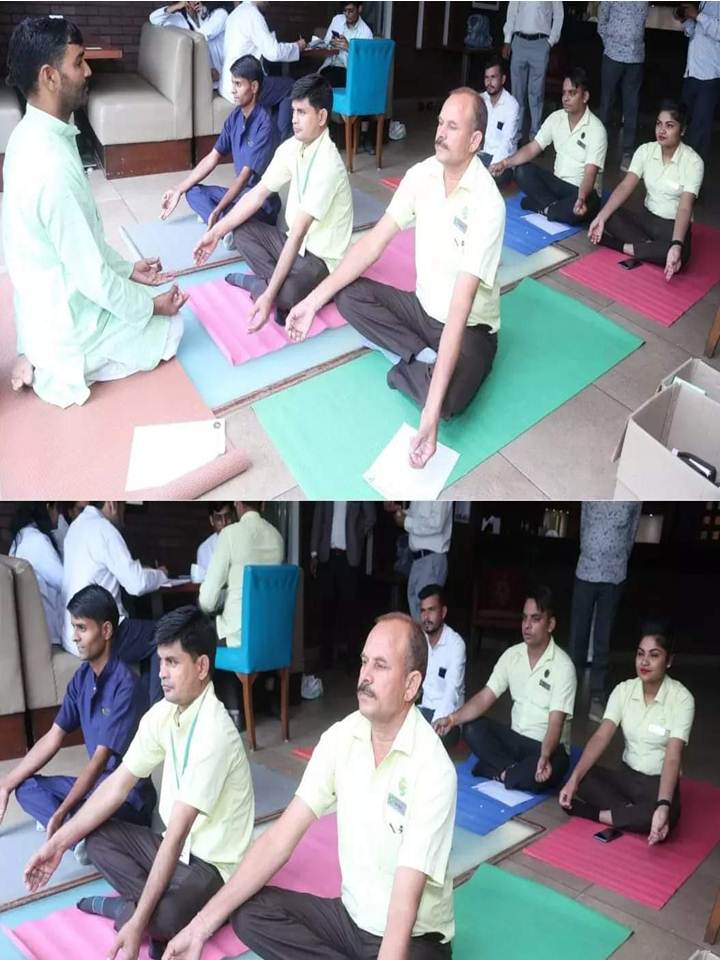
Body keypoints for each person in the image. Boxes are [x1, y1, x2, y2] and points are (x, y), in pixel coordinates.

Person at [163, 613, 457, 960]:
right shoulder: (342, 738)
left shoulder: (433, 769)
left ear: (410, 684)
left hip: (412, 939)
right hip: (350, 921)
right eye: (364, 662)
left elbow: (405, 901)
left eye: (380, 666)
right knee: (249, 912)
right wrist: (198, 927)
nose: (365, 676)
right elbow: (278, 839)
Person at [286, 88, 505, 470]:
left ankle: (411, 368)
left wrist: (429, 417)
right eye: (440, 123)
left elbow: (461, 304)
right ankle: (422, 360)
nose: (440, 133)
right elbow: (373, 243)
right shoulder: (422, 175)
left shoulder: (488, 203)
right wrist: (310, 302)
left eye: (452, 127)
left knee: (446, 404)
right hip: (421, 309)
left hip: (470, 327)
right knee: (348, 296)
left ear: (474, 141)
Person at [24, 607, 255, 960]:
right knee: (95, 837)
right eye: (160, 661)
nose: (161, 673)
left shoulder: (215, 734)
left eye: (172, 662)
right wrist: (57, 844)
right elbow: (117, 785)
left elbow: (177, 832)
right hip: (174, 849)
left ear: (201, 667)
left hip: (212, 865)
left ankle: (126, 911)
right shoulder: (164, 713)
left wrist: (137, 921)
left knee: (166, 916)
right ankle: (149, 915)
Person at [3, 16, 187, 409]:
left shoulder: (28, 135)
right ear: (50, 77)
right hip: (67, 326)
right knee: (173, 328)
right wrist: (151, 307)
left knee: (135, 291)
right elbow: (91, 277)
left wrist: (127, 270)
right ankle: (57, 367)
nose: (88, 71)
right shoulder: (51, 168)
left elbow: (77, 242)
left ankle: (38, 352)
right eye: (78, 62)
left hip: (39, 311)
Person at [194, 73, 353, 331]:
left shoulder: (328, 165)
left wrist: (268, 296)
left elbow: (298, 233)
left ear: (322, 117)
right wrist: (215, 232)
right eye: (293, 111)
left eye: (302, 112)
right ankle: (276, 290)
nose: (294, 119)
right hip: (291, 244)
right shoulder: (292, 147)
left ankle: (260, 286)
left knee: (287, 293)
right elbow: (257, 195)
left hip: (320, 260)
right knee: (240, 229)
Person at [0, 586, 155, 844]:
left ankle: (77, 832)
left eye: (82, 628)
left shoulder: (126, 685)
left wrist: (61, 811)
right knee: (25, 787)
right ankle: (82, 833)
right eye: (74, 627)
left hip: (125, 797)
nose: (74, 637)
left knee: (78, 812)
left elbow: (99, 762)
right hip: (95, 788)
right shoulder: (82, 678)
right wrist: (6, 784)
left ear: (106, 631)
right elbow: (53, 737)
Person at [560, 620, 694, 845]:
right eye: (640, 654)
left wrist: (663, 805)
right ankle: (632, 814)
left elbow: (673, 756)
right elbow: (601, 736)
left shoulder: (682, 699)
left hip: (657, 783)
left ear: (669, 660)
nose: (644, 661)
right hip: (626, 777)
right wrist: (574, 779)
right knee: (582, 777)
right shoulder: (623, 690)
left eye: (654, 655)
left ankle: (597, 814)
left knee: (667, 812)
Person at [434, 586, 576, 794]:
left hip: (547, 748)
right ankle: (512, 772)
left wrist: (545, 757)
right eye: (524, 618)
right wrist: (452, 719)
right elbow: (485, 697)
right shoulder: (512, 655)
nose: (527, 625)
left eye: (535, 619)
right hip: (516, 740)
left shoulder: (563, 666)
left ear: (550, 624)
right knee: (472, 728)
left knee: (545, 772)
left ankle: (497, 770)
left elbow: (555, 724)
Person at [62, 502, 169, 704]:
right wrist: (161, 574)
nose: (123, 512)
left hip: (73, 632)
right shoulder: (104, 529)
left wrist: (143, 571)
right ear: (112, 503)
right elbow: (136, 584)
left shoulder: (75, 528)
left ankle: (145, 706)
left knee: (146, 633)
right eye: (123, 506)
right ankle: (155, 712)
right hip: (100, 633)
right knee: (164, 633)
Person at [160, 56, 280, 232]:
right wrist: (178, 189)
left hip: (260, 203)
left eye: (238, 84)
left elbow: (244, 177)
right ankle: (228, 226)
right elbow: (213, 157)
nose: (233, 90)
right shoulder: (235, 117)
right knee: (192, 192)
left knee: (227, 209)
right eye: (232, 84)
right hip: (239, 195)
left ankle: (223, 224)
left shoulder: (265, 125)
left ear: (254, 87)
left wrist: (217, 210)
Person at [588, 101, 704, 280]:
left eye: (669, 125)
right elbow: (626, 186)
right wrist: (601, 217)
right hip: (646, 219)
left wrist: (676, 244)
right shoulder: (645, 151)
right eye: (659, 124)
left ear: (682, 130)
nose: (662, 130)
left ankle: (621, 246)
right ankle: (650, 249)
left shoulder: (693, 162)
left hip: (672, 226)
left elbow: (684, 207)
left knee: (679, 252)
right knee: (607, 214)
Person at [492, 68, 608, 226]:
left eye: (572, 93)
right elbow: (532, 148)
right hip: (558, 185)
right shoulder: (556, 118)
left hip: (582, 192)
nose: (565, 98)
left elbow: (590, 174)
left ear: (585, 97)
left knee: (582, 207)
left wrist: (581, 199)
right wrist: (505, 163)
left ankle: (544, 207)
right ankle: (554, 209)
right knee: (522, 171)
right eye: (564, 93)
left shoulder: (596, 129)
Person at [568, 502, 642, 722]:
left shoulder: (633, 498)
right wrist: (590, 550)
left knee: (604, 637)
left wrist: (618, 558)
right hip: (585, 570)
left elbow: (631, 534)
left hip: (614, 574)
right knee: (578, 636)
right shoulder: (593, 488)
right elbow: (584, 524)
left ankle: (597, 696)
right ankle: (567, 693)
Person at [199, 501, 284, 648]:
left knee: (196, 633)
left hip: (237, 636)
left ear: (237, 503)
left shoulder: (229, 534)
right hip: (271, 631)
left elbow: (207, 601)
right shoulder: (277, 537)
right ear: (263, 504)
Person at [220, 0, 307, 141]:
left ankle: (273, 137)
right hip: (243, 85)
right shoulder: (253, 14)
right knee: (291, 86)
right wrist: (297, 46)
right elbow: (273, 52)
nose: (270, 2)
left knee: (278, 87)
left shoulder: (235, 14)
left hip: (229, 83)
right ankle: (282, 142)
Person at [309, 502, 376, 669]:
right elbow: (318, 520)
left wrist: (357, 534)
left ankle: (353, 659)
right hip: (327, 556)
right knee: (326, 609)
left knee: (351, 610)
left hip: (349, 558)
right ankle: (325, 658)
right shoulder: (327, 489)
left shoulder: (358, 490)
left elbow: (371, 517)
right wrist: (313, 553)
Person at [597, 1, 649, 172]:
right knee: (607, 103)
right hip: (613, 54)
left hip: (635, 57)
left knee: (631, 107)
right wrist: (610, 44)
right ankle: (599, 152)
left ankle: (628, 152)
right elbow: (602, 21)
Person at [501, 1, 564, 140]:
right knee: (517, 92)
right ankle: (515, 133)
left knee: (536, 93)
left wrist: (551, 41)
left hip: (541, 43)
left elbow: (559, 15)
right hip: (519, 41)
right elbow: (512, 12)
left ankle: (535, 135)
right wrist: (507, 40)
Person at [9, 502, 65, 646]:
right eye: (57, 509)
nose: (59, 515)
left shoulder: (20, 538)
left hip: (31, 631)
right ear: (47, 506)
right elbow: (63, 582)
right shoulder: (37, 541)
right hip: (50, 634)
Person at [418, 585, 465, 751]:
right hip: (423, 711)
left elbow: (451, 693)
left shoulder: (456, 644)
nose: (426, 617)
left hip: (448, 719)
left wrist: (432, 727)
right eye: (423, 611)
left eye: (431, 610)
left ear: (443, 612)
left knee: (422, 743)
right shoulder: (419, 640)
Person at [391, 503, 454, 621]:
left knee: (427, 614)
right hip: (418, 560)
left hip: (431, 558)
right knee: (417, 613)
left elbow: (437, 523)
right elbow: (416, 515)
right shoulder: (422, 492)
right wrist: (402, 513)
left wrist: (406, 522)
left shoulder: (441, 493)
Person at [676, 1, 720, 167]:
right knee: (686, 123)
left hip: (709, 75)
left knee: (700, 128)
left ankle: (692, 171)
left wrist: (698, 15)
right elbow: (693, 33)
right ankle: (683, 167)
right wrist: (685, 19)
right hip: (692, 71)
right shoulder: (703, 2)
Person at [149, 2, 228, 85]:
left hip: (221, 72)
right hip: (204, 76)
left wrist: (204, 11)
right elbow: (153, 18)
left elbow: (202, 36)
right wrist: (177, 6)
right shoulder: (179, 19)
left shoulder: (218, 14)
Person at [480, 55, 520, 188]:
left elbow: (507, 143)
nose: (489, 82)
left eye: (493, 77)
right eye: (486, 78)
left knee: (498, 177)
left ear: (502, 79)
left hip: (502, 161)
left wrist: (492, 167)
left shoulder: (512, 105)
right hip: (482, 155)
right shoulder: (481, 100)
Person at [319, 2, 373, 87]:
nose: (347, 14)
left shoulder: (366, 33)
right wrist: (330, 43)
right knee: (313, 83)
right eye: (345, 11)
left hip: (348, 70)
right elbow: (325, 44)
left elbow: (364, 63)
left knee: (324, 85)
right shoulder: (337, 19)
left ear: (359, 9)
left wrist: (349, 48)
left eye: (350, 11)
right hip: (328, 65)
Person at [196, 503, 236, 582]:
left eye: (227, 516)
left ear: (233, 516)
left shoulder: (243, 540)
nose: (224, 523)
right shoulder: (204, 549)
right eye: (219, 518)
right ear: (211, 521)